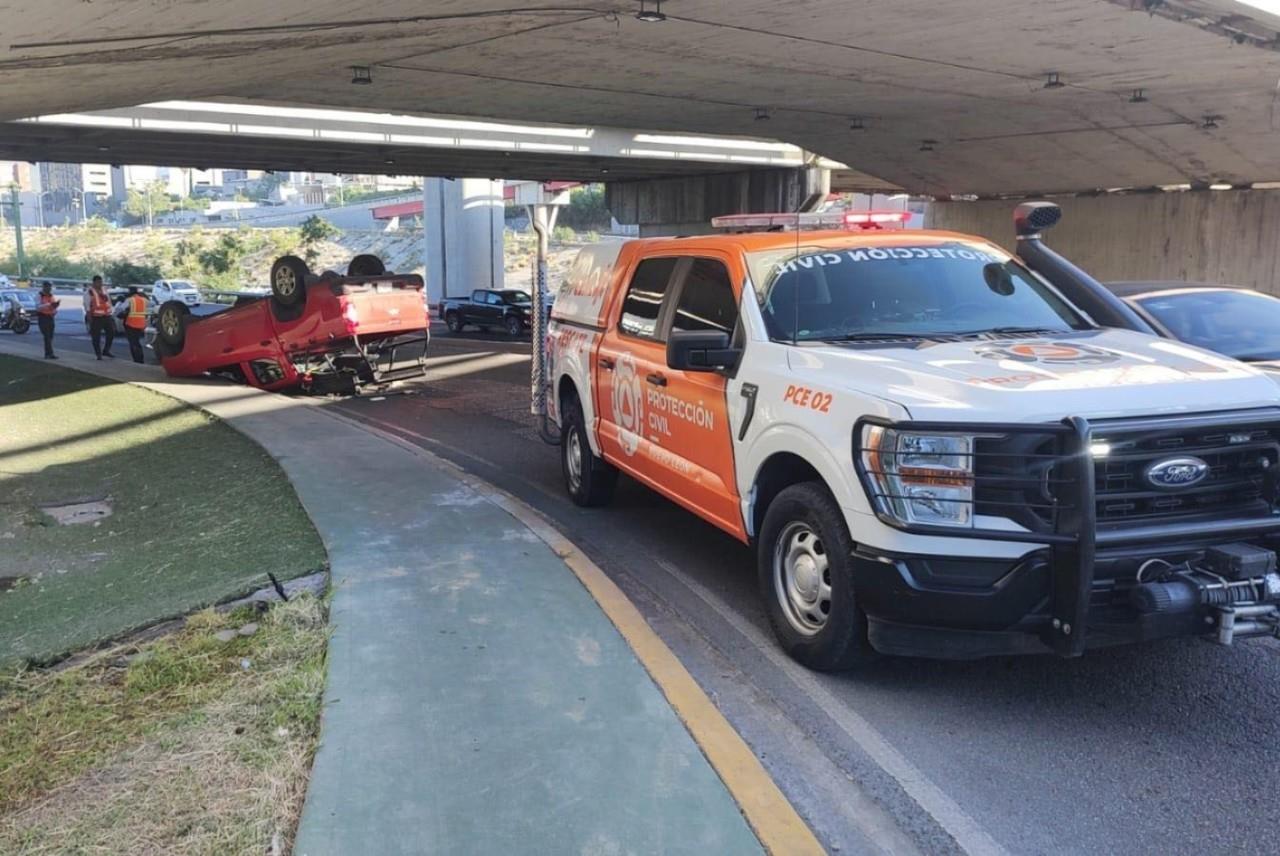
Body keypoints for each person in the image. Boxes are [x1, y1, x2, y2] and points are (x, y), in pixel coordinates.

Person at [86, 275, 115, 360]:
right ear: (94, 282)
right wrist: (89, 319)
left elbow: (108, 301)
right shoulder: (89, 292)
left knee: (111, 332)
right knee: (96, 336)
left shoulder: (104, 290)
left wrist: (111, 312)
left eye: (101, 282)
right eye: (98, 282)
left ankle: (106, 350)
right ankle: (98, 354)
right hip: (96, 317)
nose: (100, 284)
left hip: (106, 316)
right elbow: (87, 306)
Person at [121, 285, 148, 364]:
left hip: (131, 324)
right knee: (137, 342)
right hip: (141, 324)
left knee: (133, 343)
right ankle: (140, 358)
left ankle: (137, 360)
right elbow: (151, 304)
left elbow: (122, 308)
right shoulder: (144, 300)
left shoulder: (129, 300)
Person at [36, 281, 59, 359]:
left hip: (50, 317)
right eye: (48, 287)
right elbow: (38, 307)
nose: (49, 288)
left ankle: (48, 353)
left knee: (51, 336)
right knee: (47, 336)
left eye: (50, 287)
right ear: (44, 287)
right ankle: (49, 354)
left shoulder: (51, 296)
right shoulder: (39, 295)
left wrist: (55, 308)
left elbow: (53, 306)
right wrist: (48, 304)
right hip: (43, 317)